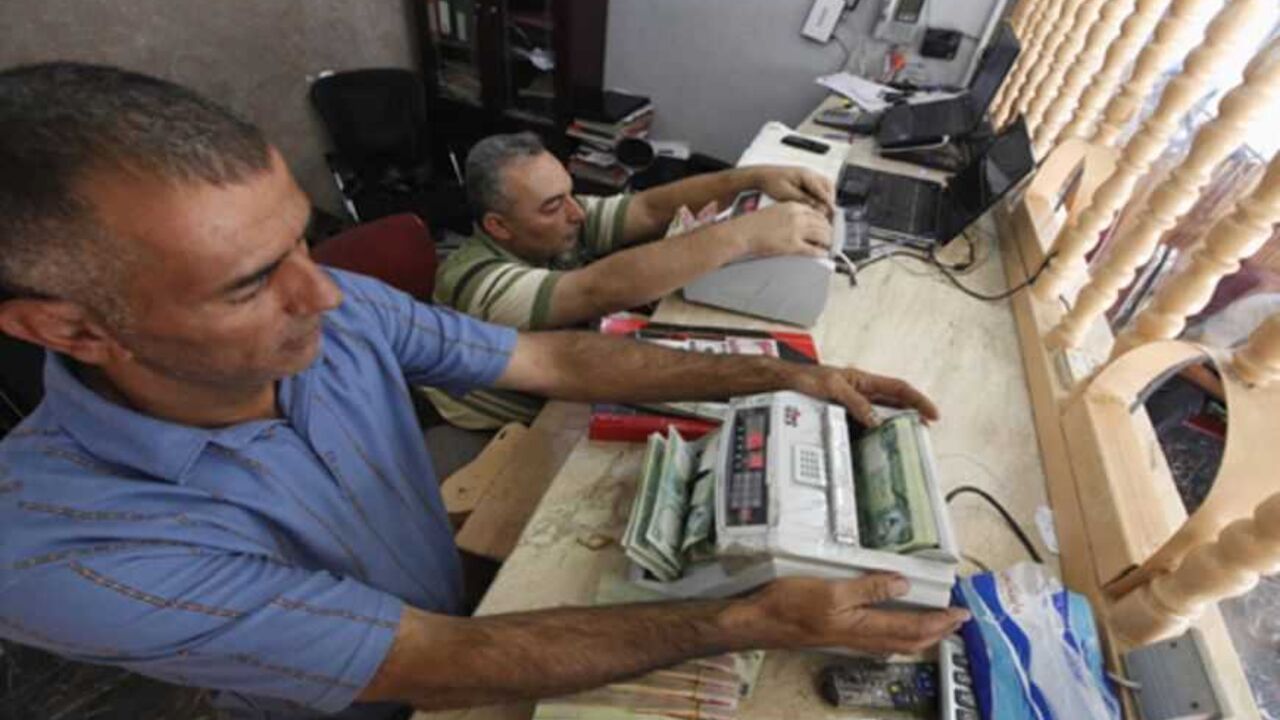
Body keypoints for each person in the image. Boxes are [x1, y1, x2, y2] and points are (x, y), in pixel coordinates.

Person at [0, 63, 966, 720]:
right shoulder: (58, 551)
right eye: (251, 282)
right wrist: (748, 619)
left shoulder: (337, 312)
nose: (325, 292)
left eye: (300, 237)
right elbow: (431, 663)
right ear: (69, 328)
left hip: (443, 602)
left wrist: (786, 375)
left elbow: (552, 360)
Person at [428, 132, 838, 429]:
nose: (577, 212)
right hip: (493, 429)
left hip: (561, 380)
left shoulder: (563, 220)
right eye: (553, 205)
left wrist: (751, 179)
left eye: (570, 194)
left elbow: (648, 207)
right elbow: (595, 288)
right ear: (498, 227)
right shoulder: (472, 281)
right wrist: (745, 234)